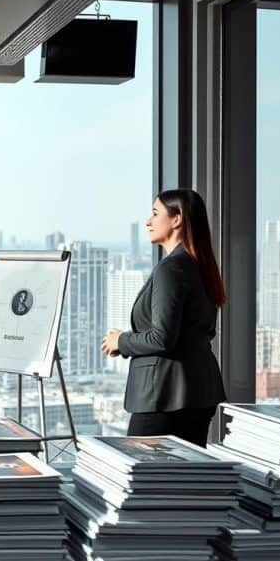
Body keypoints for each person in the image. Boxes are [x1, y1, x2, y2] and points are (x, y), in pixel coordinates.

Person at [100, 189, 228, 448]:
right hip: (197, 392)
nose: (148, 221)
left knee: (144, 479)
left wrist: (121, 341)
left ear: (177, 218)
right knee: (182, 480)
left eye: (155, 214)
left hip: (164, 395)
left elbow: (162, 338)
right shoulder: (199, 266)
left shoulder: (172, 268)